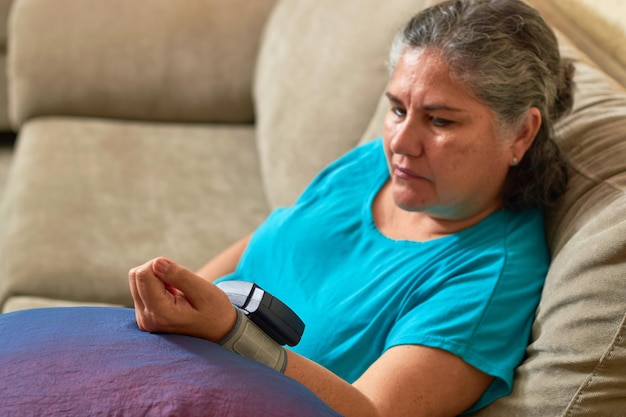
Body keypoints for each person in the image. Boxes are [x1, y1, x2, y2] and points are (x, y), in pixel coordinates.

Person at [128, 0, 575, 415]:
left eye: (440, 120)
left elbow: (372, 410)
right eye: (398, 110)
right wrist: (162, 309)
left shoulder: (489, 278)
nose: (400, 142)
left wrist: (231, 332)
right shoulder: (376, 167)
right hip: (167, 365)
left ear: (521, 133)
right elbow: (276, 234)